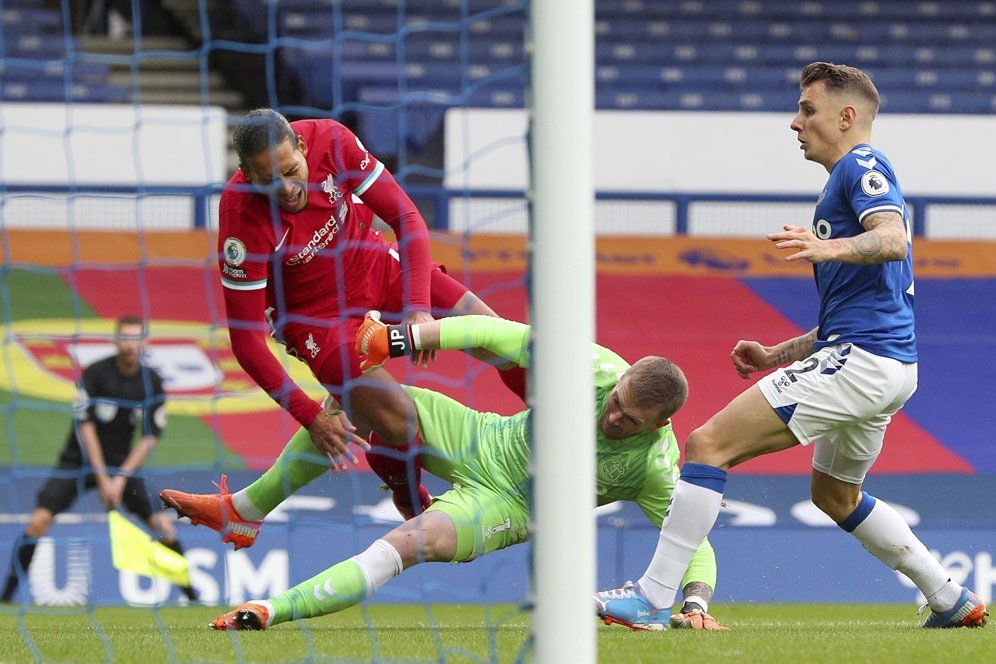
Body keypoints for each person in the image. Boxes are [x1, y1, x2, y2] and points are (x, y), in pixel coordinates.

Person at [595, 62, 989, 629]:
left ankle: (652, 596)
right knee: (835, 495)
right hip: (887, 365)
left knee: (707, 444)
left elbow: (894, 238)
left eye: (808, 109)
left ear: (846, 116)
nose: (795, 122)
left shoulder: (863, 165)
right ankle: (950, 597)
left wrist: (830, 249)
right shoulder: (842, 183)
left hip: (862, 364)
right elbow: (855, 314)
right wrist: (777, 355)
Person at [169, 312, 726, 631]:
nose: (612, 415)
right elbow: (493, 333)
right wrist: (399, 338)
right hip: (480, 434)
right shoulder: (599, 368)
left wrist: (695, 601)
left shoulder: (655, 465)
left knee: (410, 543)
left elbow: (690, 538)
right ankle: (244, 512)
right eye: (616, 401)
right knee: (356, 398)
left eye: (628, 419)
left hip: (508, 505)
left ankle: (268, 611)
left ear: (659, 425)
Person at [215, 108, 525, 526]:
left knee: (497, 335)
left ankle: (556, 435)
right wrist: (310, 416)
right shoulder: (240, 218)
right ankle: (407, 495)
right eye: (270, 181)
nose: (287, 188)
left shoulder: (333, 141)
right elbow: (246, 342)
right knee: (398, 418)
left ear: (303, 147)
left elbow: (406, 217)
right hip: (317, 321)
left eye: (292, 170)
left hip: (376, 266)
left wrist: (417, 309)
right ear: (247, 175)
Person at [0, 316, 196, 603]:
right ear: (116, 341)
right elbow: (85, 426)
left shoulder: (151, 381)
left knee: (162, 525)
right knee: (38, 521)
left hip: (122, 467)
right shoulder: (95, 373)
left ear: (145, 342)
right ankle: (6, 598)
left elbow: (150, 436)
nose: (130, 345)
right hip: (77, 463)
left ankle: (193, 597)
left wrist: (119, 479)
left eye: (136, 338)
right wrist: (104, 478)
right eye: (125, 338)